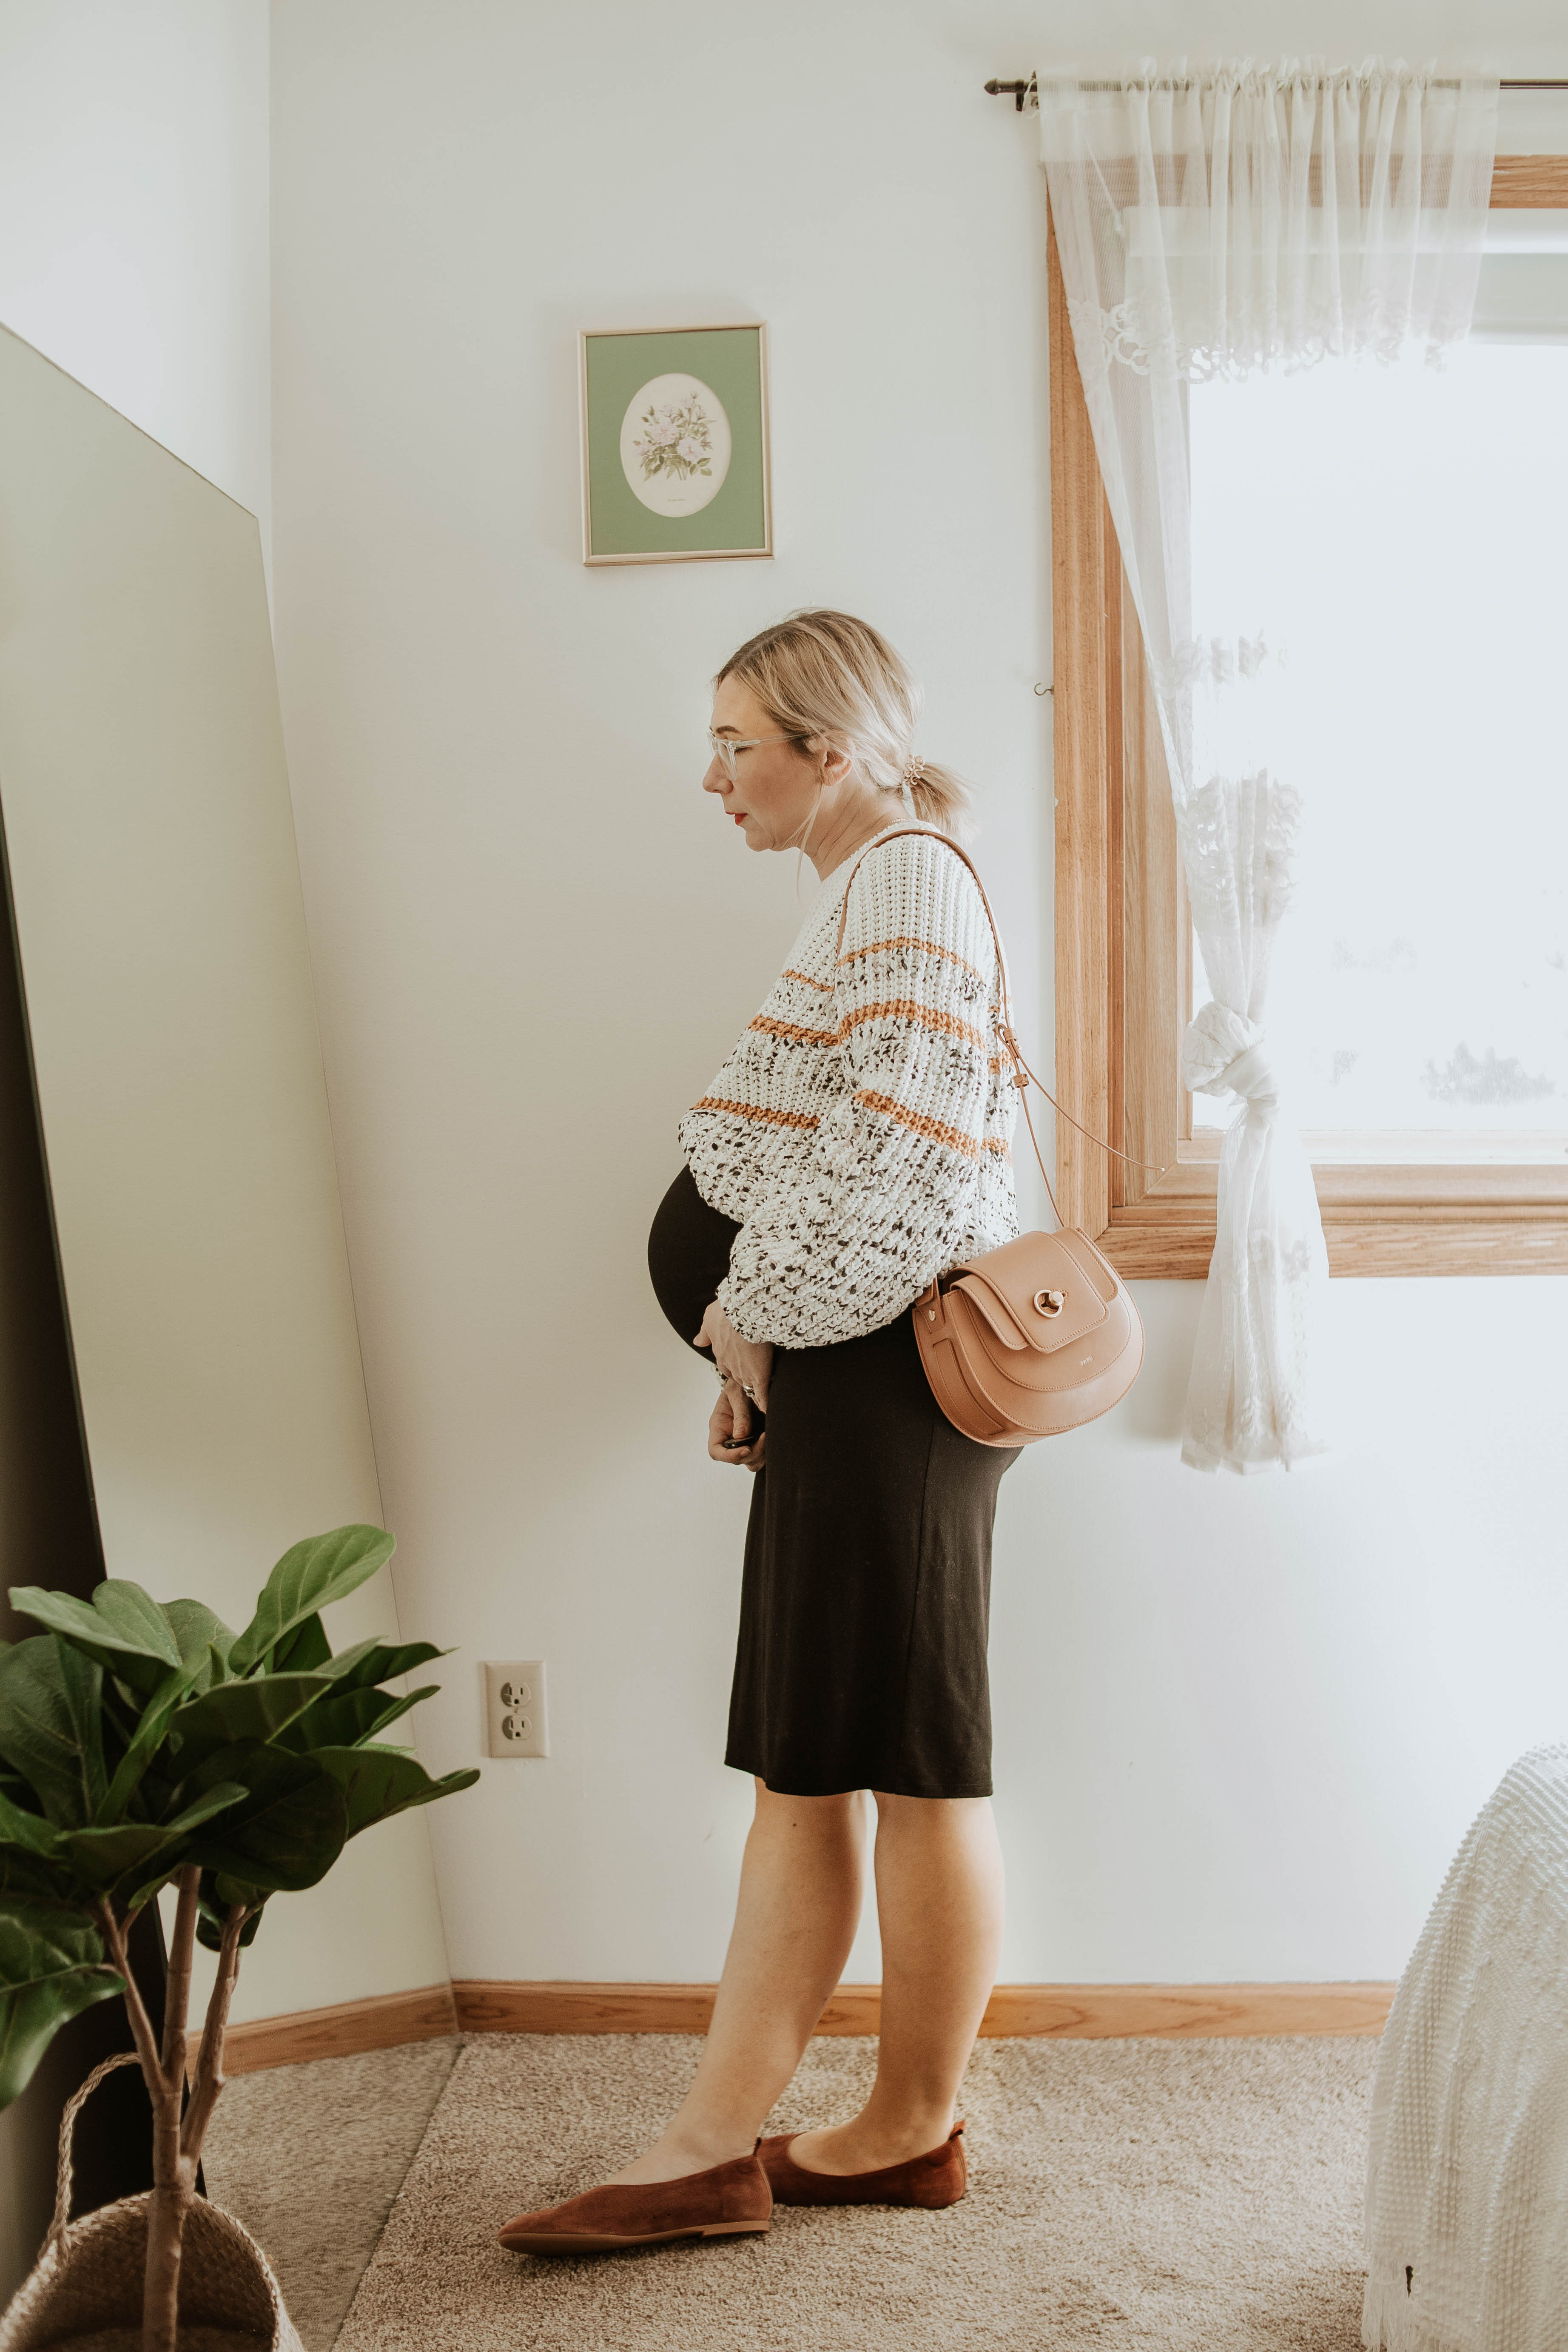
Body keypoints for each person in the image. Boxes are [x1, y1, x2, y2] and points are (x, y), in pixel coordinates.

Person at [500, 609, 1022, 2258]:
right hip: (845, 1374)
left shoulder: (909, 877)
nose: (712, 774)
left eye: (739, 741)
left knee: (875, 1774)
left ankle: (739, 2145)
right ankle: (870, 2133)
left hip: (875, 1373)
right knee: (851, 1767)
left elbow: (901, 1159)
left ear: (832, 746)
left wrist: (748, 1320)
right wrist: (754, 1356)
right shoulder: (873, 883)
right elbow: (851, 1161)